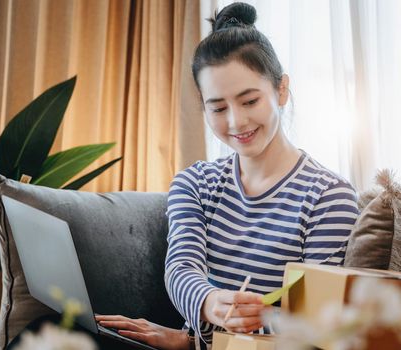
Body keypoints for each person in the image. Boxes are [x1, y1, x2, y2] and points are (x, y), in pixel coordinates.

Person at [95, 2, 359, 349]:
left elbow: (314, 326)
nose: (236, 122)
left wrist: (195, 338)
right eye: (218, 108)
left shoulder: (329, 197)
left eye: (250, 101)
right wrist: (207, 304)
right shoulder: (195, 183)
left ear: (281, 90)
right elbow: (181, 269)